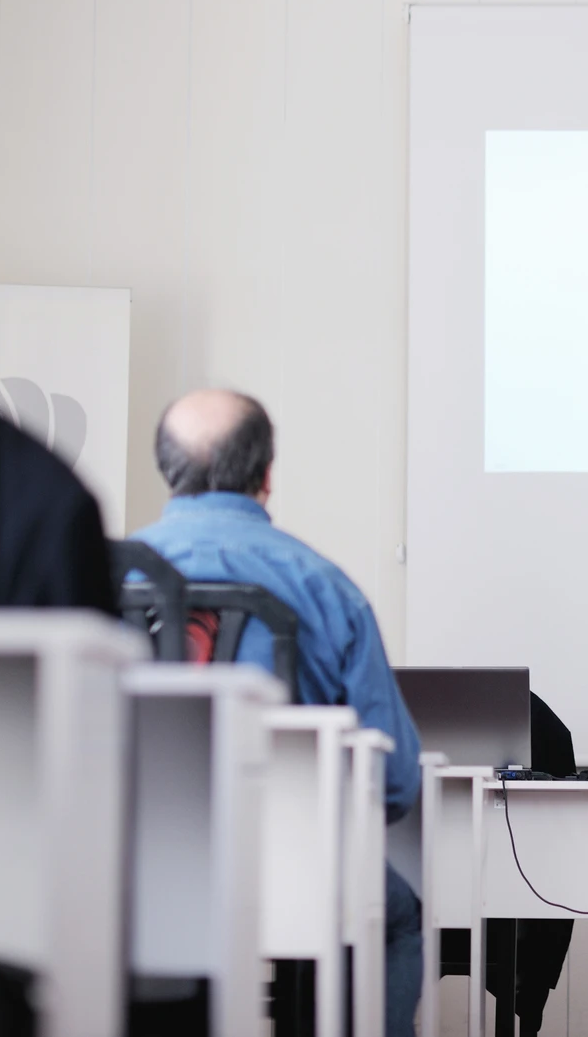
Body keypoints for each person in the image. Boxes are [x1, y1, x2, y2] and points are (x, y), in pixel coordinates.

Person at [131, 389, 424, 1037]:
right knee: (400, 918)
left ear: (166, 469)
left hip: (133, 868)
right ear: (266, 474)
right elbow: (397, 782)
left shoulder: (103, 577)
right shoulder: (326, 588)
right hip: (295, 872)